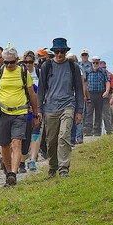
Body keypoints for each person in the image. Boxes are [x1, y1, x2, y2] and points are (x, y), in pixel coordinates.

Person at [0, 47, 39, 186]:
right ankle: (8, 170)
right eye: (6, 62)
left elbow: (32, 95)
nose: (9, 65)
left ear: (17, 60)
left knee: (17, 142)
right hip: (2, 113)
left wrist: (35, 114)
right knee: (4, 145)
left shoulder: (23, 72)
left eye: (11, 62)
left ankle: (13, 174)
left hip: (20, 113)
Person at [38, 38, 84, 177]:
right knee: (51, 140)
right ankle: (53, 166)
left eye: (62, 51)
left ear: (66, 51)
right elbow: (41, 89)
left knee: (64, 136)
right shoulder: (47, 66)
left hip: (68, 105)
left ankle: (64, 168)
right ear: (53, 52)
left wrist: (79, 110)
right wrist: (39, 109)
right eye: (57, 51)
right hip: (50, 107)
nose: (59, 54)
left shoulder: (73, 67)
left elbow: (79, 89)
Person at [84, 56, 110, 137]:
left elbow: (107, 82)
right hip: (90, 93)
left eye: (97, 62)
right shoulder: (88, 71)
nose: (95, 64)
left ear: (99, 63)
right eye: (94, 62)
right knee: (89, 112)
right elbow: (85, 83)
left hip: (100, 93)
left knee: (98, 112)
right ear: (92, 63)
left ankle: (97, 130)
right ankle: (88, 129)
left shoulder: (103, 72)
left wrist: (106, 91)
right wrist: (85, 94)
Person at [99, 61, 113, 135]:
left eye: (105, 67)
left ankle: (109, 131)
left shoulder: (110, 74)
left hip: (107, 96)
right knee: (96, 114)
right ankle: (97, 131)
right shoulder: (95, 73)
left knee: (107, 114)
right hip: (97, 96)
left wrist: (112, 98)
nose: (104, 68)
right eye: (102, 67)